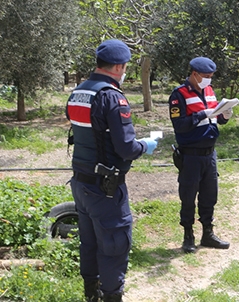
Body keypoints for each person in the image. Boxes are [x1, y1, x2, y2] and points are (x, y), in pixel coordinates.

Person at [66, 39, 159, 302]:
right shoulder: (112, 96)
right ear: (119, 66)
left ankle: (91, 295)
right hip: (105, 187)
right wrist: (147, 145)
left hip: (81, 182)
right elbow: (126, 148)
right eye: (126, 66)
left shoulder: (78, 92)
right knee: (114, 245)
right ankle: (110, 297)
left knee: (90, 242)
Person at [168, 56, 233, 253]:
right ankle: (188, 235)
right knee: (188, 196)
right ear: (194, 74)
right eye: (206, 76)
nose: (209, 80)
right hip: (191, 155)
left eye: (211, 76)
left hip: (209, 154)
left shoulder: (209, 91)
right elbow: (179, 124)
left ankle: (208, 233)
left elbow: (216, 119)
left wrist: (224, 116)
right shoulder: (178, 94)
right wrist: (202, 114)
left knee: (209, 195)